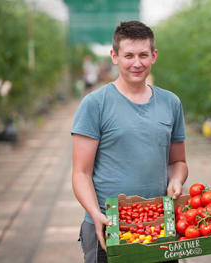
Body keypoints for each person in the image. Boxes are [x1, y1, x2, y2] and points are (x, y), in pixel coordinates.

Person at [72, 21, 187, 263]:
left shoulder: (170, 103)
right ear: (114, 56)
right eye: (129, 55)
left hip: (157, 224)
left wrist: (176, 179)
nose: (137, 63)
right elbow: (81, 173)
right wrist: (95, 214)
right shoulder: (95, 104)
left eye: (143, 55)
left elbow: (178, 161)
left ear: (154, 56)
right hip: (108, 224)